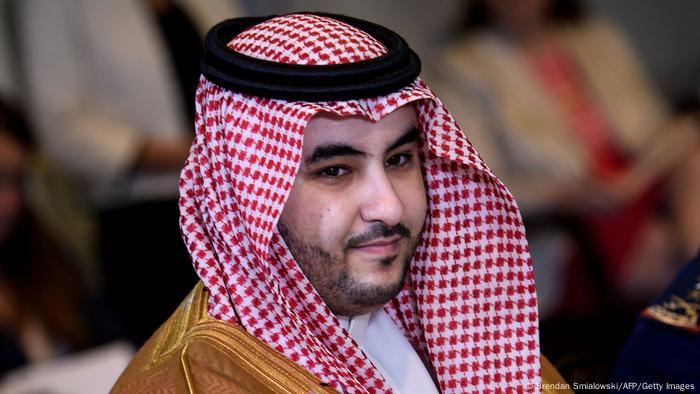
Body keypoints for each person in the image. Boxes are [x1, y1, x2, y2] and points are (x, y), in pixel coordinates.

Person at [112, 13, 570, 393]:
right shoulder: (194, 381)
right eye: (335, 171)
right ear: (245, 193)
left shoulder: (457, 325)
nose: (389, 208)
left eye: (400, 159)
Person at [438, 0, 700, 307]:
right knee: (666, 249)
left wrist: (637, 176)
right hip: (575, 216)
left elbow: (655, 126)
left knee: (693, 161)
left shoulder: (595, 37)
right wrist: (562, 193)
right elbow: (477, 182)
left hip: (639, 181)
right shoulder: (464, 65)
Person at [17, 0, 242, 345]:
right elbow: (62, 125)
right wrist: (188, 152)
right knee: (173, 357)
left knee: (252, 351)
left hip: (234, 203)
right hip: (146, 222)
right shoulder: (56, 7)